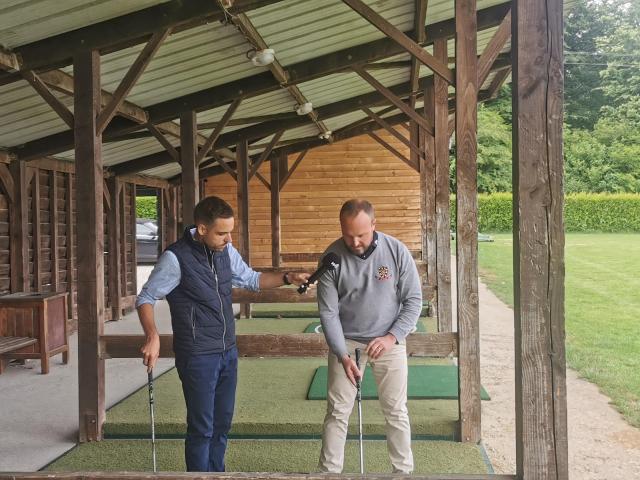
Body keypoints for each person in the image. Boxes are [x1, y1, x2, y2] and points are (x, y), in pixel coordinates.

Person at [136, 195, 309, 472]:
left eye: (230, 232)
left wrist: (288, 277)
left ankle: (218, 474)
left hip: (227, 351)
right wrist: (152, 335)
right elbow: (146, 296)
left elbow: (253, 279)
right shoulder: (175, 258)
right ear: (202, 229)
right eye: (222, 233)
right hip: (197, 355)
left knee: (222, 425)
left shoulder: (225, 251)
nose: (228, 239)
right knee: (202, 428)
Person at [316, 199, 422, 474]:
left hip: (389, 342)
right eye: (347, 234)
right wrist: (342, 355)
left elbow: (413, 300)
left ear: (374, 224)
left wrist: (391, 337)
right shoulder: (331, 258)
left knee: (396, 411)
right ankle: (329, 473)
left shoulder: (396, 251)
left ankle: (403, 472)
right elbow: (328, 314)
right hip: (347, 343)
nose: (354, 242)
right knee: (338, 413)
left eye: (361, 235)